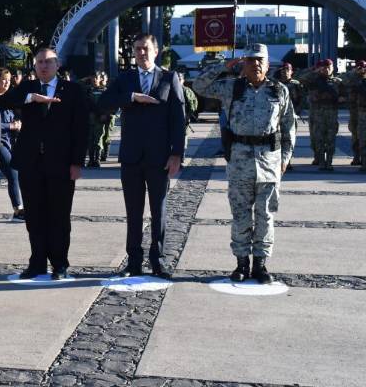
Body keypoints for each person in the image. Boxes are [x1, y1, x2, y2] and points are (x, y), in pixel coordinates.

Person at [193, 43, 295, 284]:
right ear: (243, 64)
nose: (256, 64)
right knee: (240, 215)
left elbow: (289, 126)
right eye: (250, 60)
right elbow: (199, 86)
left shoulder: (279, 91)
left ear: (268, 64)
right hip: (239, 160)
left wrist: (285, 159)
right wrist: (223, 65)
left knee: (266, 215)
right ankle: (241, 263)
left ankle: (261, 263)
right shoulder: (232, 88)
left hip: (269, 160)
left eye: (260, 60)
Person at [98, 33, 185, 279]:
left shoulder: (169, 77)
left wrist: (177, 153)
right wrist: (131, 97)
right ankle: (133, 261)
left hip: (160, 157)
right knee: (133, 212)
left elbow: (178, 117)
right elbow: (103, 102)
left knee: (159, 211)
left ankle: (159, 261)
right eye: (137, 49)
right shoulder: (125, 79)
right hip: (131, 157)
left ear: (155, 51)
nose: (141, 53)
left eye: (145, 48)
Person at [0, 47, 89, 280]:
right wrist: (31, 98)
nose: (44, 66)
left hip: (61, 163)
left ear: (57, 65)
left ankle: (60, 263)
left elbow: (81, 129)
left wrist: (77, 162)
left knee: (59, 215)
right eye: (39, 62)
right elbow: (4, 101)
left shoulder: (72, 90)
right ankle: (37, 262)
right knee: (35, 215)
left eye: (48, 62)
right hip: (30, 163)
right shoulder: (28, 88)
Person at [0, 67, 24, 220]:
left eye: (9, 80)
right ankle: (18, 209)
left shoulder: (8, 98)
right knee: (13, 172)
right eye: (3, 80)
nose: (7, 83)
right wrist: (10, 126)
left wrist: (17, 124)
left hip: (6, 142)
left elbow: (12, 119)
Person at [298, 59, 342, 170]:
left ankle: (329, 163)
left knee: (331, 139)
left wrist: (341, 99)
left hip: (332, 114)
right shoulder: (314, 80)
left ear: (333, 68)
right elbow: (301, 79)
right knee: (319, 139)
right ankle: (321, 162)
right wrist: (315, 70)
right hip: (317, 115)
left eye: (329, 67)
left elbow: (346, 94)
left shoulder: (338, 82)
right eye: (324, 67)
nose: (326, 69)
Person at [340, 60, 366, 170]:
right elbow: (343, 81)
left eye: (363, 67)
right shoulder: (351, 77)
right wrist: (354, 73)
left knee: (363, 136)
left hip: (362, 110)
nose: (361, 69)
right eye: (359, 67)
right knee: (355, 135)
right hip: (354, 111)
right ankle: (356, 157)